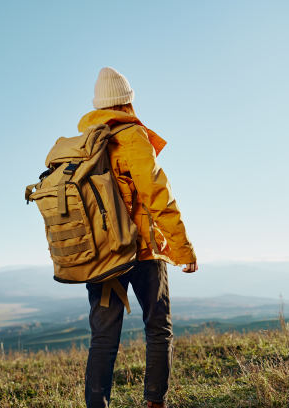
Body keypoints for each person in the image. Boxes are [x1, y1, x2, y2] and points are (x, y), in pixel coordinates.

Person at [79, 67, 198, 408]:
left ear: (99, 105)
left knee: (102, 338)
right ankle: (154, 403)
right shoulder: (132, 136)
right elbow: (157, 195)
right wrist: (182, 248)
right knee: (158, 328)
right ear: (128, 102)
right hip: (143, 252)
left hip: (101, 257)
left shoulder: (85, 143)